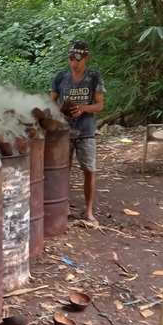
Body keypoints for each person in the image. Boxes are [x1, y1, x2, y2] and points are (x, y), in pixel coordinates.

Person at [50, 41, 105, 225]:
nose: (73, 63)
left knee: (89, 170)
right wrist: (59, 110)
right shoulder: (60, 77)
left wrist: (83, 108)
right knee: (62, 170)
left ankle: (88, 211)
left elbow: (100, 105)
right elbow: (51, 101)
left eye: (77, 60)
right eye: (71, 59)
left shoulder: (94, 77)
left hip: (86, 131)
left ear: (86, 58)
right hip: (63, 132)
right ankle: (63, 206)